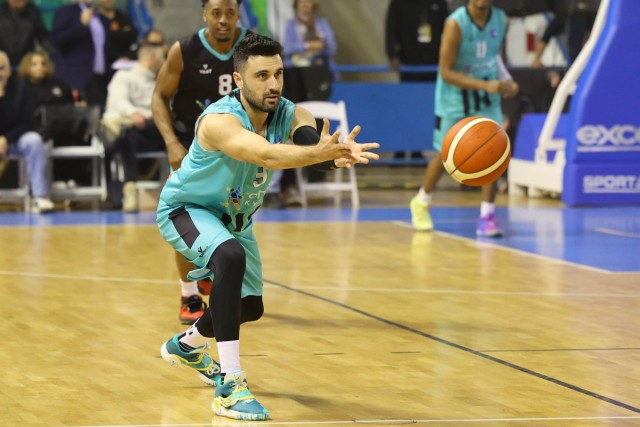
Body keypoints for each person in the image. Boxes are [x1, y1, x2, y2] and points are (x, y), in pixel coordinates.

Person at [158, 33, 379, 421]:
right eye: (261, 76)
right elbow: (265, 154)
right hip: (187, 209)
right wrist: (317, 153)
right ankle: (231, 386)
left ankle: (187, 346)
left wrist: (334, 154)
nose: (273, 84)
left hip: (235, 219)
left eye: (278, 74)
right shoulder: (219, 121)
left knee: (249, 306)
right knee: (229, 256)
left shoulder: (290, 112)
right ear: (238, 80)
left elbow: (308, 140)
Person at [151, 0, 249, 325]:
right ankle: (189, 294)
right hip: (190, 150)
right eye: (216, 13)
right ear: (204, 13)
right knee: (186, 223)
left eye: (229, 13)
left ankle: (209, 271)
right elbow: (159, 96)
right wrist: (171, 143)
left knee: (231, 220)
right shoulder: (185, 50)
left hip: (234, 151)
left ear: (238, 14)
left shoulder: (251, 48)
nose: (223, 20)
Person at [410, 0, 519, 237]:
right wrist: (484, 84)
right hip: (455, 99)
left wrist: (507, 79)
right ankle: (421, 201)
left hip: (486, 98)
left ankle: (487, 216)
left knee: (492, 150)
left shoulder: (501, 20)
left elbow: (494, 56)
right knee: (445, 154)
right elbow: (445, 72)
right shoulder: (455, 24)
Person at [102, 30, 167, 212]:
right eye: (162, 58)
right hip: (126, 130)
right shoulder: (124, 76)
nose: (164, 62)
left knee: (178, 130)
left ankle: (183, 188)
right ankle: (129, 187)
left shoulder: (157, 81)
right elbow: (118, 101)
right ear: (152, 57)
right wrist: (133, 112)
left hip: (151, 129)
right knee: (127, 134)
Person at [386, 0, 449, 160]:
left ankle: (417, 150)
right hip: (408, 63)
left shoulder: (439, 3)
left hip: (432, 64)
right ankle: (400, 150)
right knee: (405, 106)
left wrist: (446, 57)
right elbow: (391, 28)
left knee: (425, 108)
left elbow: (448, 30)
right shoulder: (399, 3)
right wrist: (392, 55)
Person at [0, 50, 54, 213]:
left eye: (1, 68)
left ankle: (39, 196)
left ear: (9, 70)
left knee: (34, 140)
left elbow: (28, 122)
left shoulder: (20, 88)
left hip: (16, 140)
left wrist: (6, 139)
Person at [51, 0, 113, 109]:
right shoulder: (66, 12)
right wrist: (81, 25)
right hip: (75, 78)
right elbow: (58, 41)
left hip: (99, 79)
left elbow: (106, 48)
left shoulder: (101, 17)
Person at [0, 0, 51, 66]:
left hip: (26, 63)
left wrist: (54, 55)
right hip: (2, 62)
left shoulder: (33, 11)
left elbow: (43, 38)